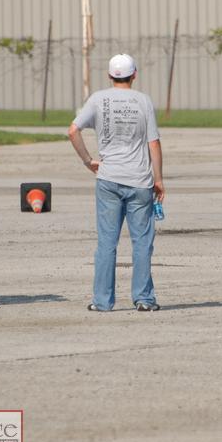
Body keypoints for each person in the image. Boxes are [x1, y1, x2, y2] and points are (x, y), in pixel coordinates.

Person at [68, 53, 165, 312]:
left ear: (110, 75)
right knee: (142, 242)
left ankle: (102, 301)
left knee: (107, 243)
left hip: (109, 178)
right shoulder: (143, 101)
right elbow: (153, 143)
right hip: (139, 180)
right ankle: (144, 299)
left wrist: (88, 161)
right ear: (134, 74)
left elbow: (73, 130)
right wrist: (159, 179)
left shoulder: (98, 99)